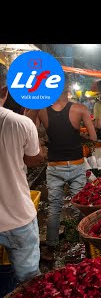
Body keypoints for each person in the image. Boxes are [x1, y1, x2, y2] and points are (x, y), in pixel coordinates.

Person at [35, 85, 97, 261]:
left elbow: (35, 134)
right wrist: (79, 136)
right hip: (76, 164)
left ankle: (51, 247)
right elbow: (93, 137)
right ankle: (76, 244)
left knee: (54, 209)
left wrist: (46, 140)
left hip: (55, 165)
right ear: (67, 89)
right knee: (79, 206)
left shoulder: (41, 110)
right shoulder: (80, 108)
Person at [0, 63, 45, 283]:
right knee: (29, 284)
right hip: (18, 217)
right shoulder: (21, 123)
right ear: (4, 90)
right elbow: (33, 158)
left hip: (17, 218)